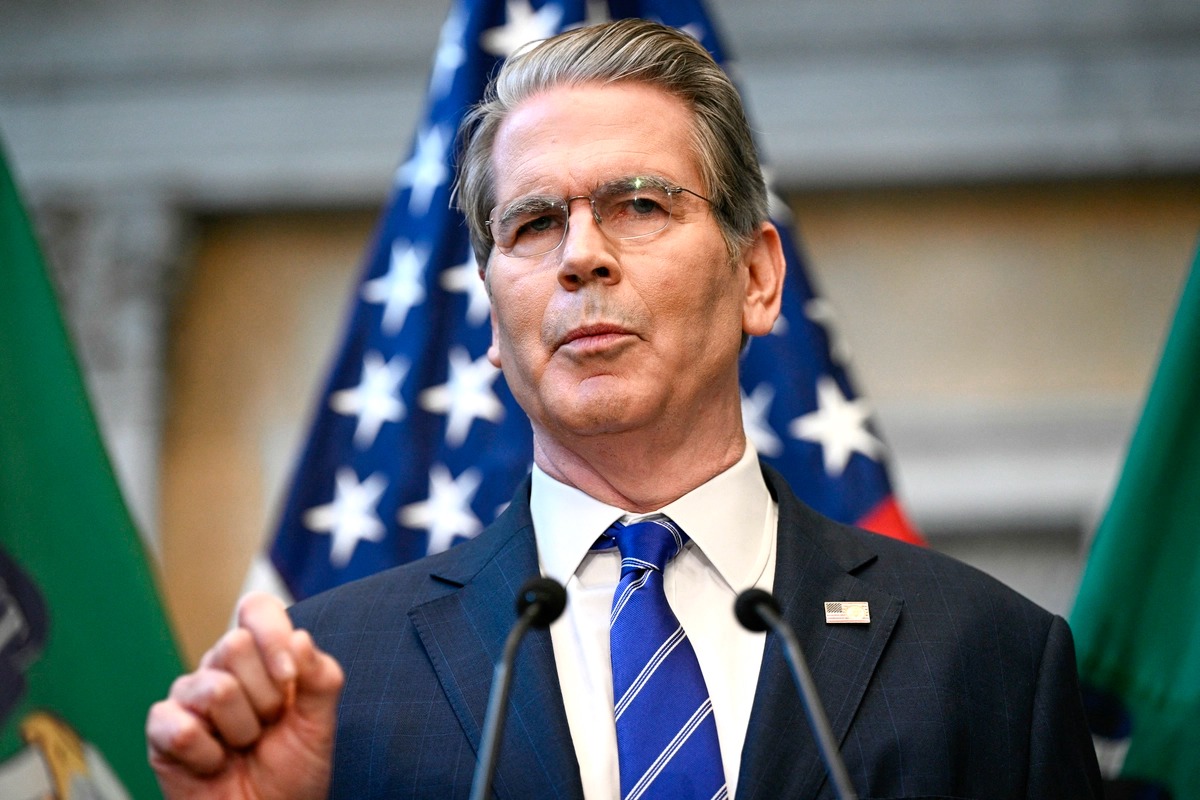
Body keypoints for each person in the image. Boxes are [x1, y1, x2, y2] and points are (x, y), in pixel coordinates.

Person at [146, 19, 1103, 800]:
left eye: (639, 205)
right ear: (492, 317)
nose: (581, 257)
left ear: (757, 278)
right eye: (532, 223)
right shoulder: (334, 676)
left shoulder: (991, 661)